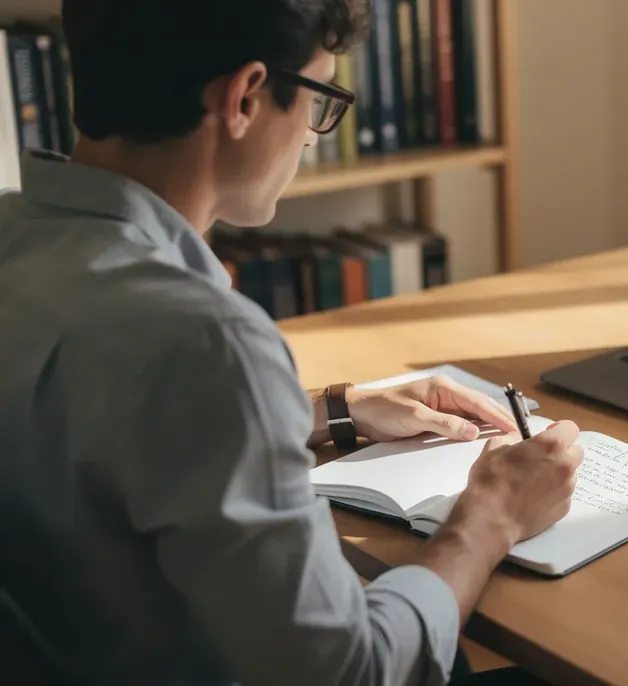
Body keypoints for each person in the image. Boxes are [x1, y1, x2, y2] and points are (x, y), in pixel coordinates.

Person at [0, 1, 581, 685]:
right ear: (245, 96)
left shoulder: (20, 244)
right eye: (317, 100)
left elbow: (96, 426)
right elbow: (349, 672)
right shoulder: (205, 340)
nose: (310, 137)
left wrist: (332, 409)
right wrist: (489, 519)